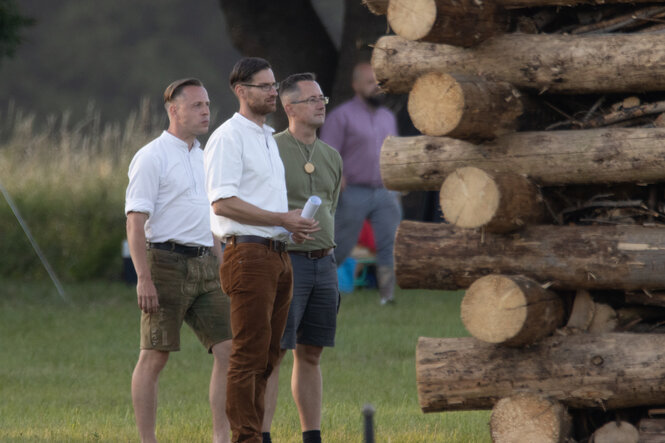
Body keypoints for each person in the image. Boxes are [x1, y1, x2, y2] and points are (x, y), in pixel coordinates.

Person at [203, 57, 319, 443]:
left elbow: (265, 207)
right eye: (264, 86)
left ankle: (252, 432)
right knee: (249, 355)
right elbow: (222, 203)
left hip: (278, 253)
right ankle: (246, 438)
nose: (272, 92)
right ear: (241, 91)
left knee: (270, 355)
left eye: (274, 86)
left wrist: (290, 228)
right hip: (248, 255)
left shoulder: (267, 137)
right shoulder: (228, 137)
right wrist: (280, 218)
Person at [125, 78, 232, 443]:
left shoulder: (206, 157)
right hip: (164, 264)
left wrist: (221, 263)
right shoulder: (151, 156)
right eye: (197, 106)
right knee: (155, 356)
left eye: (207, 105)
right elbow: (135, 222)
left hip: (206, 266)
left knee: (230, 349)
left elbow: (213, 219)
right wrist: (143, 278)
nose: (206, 112)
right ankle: (148, 440)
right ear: (174, 110)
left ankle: (222, 436)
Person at [261, 73, 343, 443]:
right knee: (274, 352)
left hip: (324, 263)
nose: (320, 103)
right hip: (285, 262)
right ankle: (261, 435)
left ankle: (312, 436)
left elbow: (332, 208)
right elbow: (258, 211)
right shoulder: (271, 150)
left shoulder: (332, 157)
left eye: (322, 97)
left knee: (311, 353)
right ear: (289, 107)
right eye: (311, 99)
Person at [319, 62, 401, 305]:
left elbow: (394, 152)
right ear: (356, 85)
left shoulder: (388, 117)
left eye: (379, 82)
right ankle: (323, 290)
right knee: (341, 243)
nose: (376, 87)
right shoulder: (341, 116)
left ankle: (387, 296)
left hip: (385, 191)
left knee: (389, 243)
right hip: (353, 190)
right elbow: (328, 153)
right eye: (370, 82)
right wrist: (337, 176)